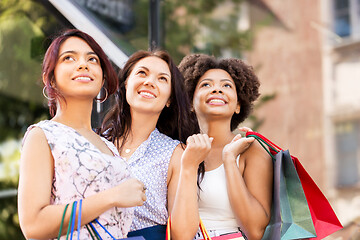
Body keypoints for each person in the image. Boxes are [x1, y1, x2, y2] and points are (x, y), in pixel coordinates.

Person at [17, 29, 146, 240]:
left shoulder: (108, 145)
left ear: (102, 77)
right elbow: (33, 225)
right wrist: (112, 197)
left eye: (92, 59)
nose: (83, 64)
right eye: (69, 58)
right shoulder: (43, 136)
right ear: (50, 78)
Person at [98, 50, 198, 239]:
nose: (149, 82)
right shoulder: (96, 142)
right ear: (126, 83)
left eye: (162, 79)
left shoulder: (175, 153)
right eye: (142, 73)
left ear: (169, 99)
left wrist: (190, 166)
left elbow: (183, 235)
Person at [178, 54, 273, 240]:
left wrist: (229, 160)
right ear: (190, 101)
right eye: (206, 84)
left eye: (226, 86)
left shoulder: (252, 150)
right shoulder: (179, 151)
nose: (217, 90)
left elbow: (256, 231)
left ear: (238, 105)